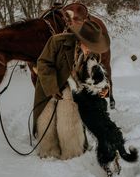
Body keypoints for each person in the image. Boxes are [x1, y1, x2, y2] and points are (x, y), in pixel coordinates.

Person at [33, 20, 110, 159]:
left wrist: (104, 88)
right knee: (46, 117)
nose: (91, 49)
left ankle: (72, 152)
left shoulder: (93, 55)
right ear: (80, 39)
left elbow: (97, 76)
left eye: (94, 46)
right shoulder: (57, 42)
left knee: (69, 117)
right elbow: (43, 63)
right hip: (49, 83)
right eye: (89, 45)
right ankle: (49, 151)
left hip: (73, 87)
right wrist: (52, 86)